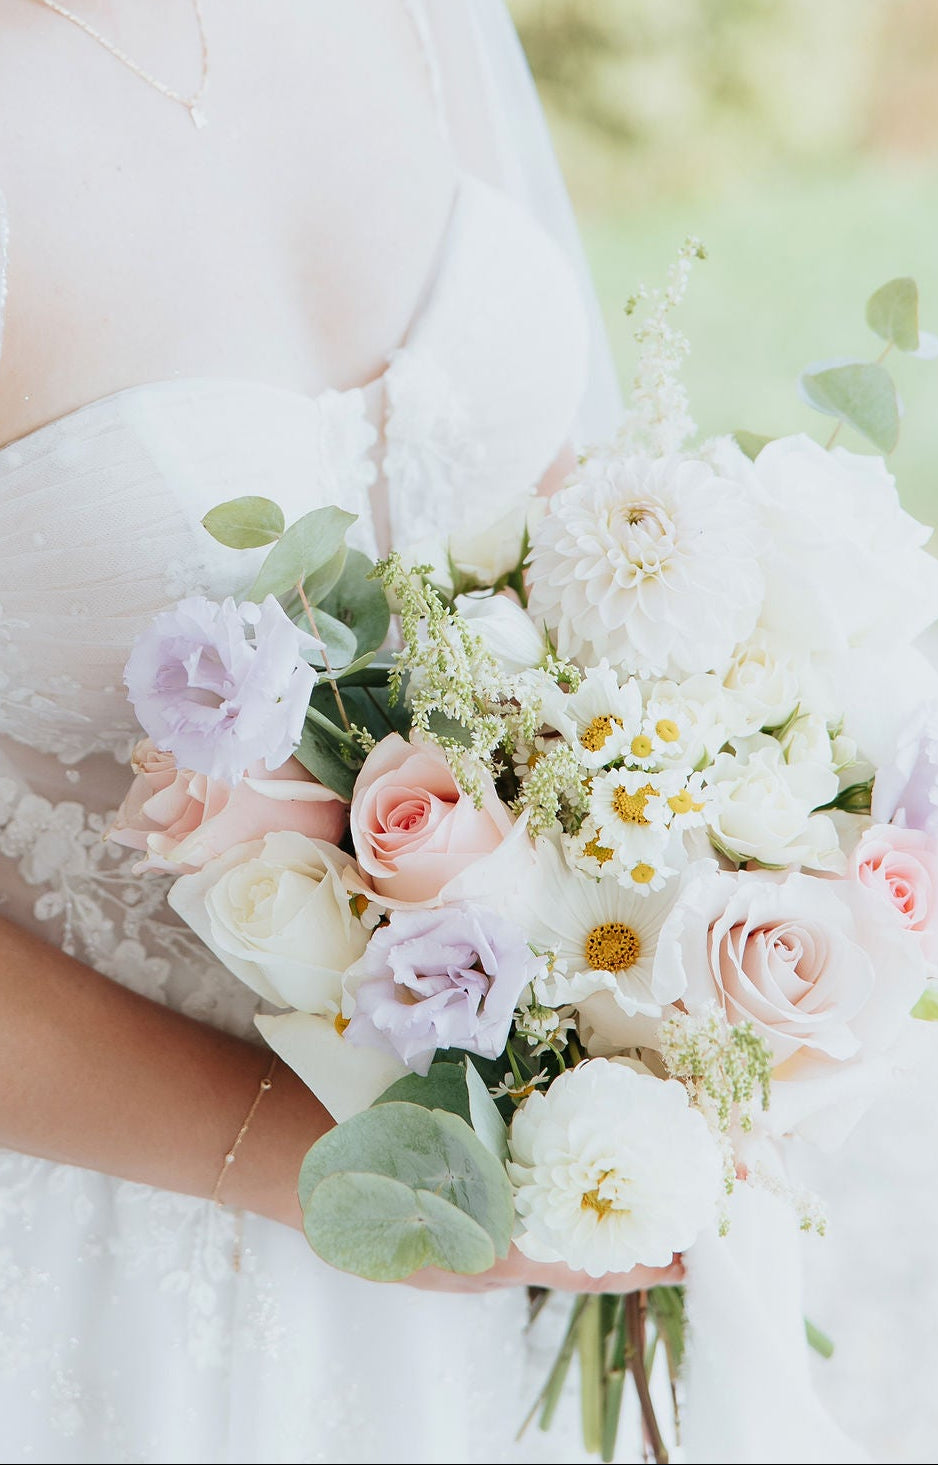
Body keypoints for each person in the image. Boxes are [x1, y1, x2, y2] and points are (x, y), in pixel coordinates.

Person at [0, 4, 676, 1460]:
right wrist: (345, 1174)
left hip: (508, 1204)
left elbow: (567, 531)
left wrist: (707, 931)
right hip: (109, 1241)